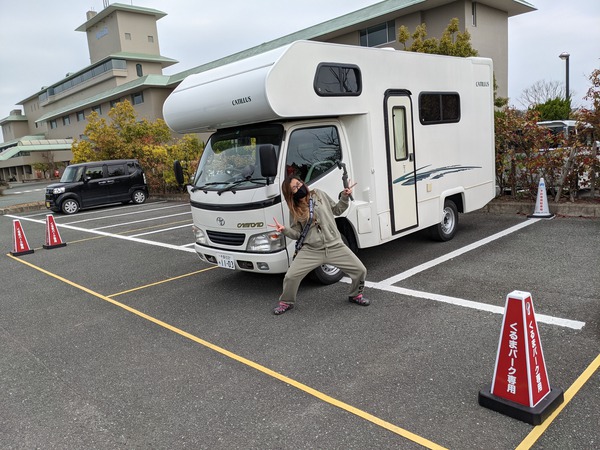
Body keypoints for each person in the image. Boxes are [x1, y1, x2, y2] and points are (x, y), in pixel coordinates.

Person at [268, 175, 369, 315]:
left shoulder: (319, 194)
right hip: (311, 249)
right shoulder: (295, 209)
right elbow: (297, 233)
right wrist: (284, 230)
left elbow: (337, 210)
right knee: (291, 276)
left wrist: (344, 197)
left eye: (299, 183)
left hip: (334, 245)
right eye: (295, 188)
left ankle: (355, 295)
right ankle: (286, 302)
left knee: (360, 270)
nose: (300, 187)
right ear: (291, 194)